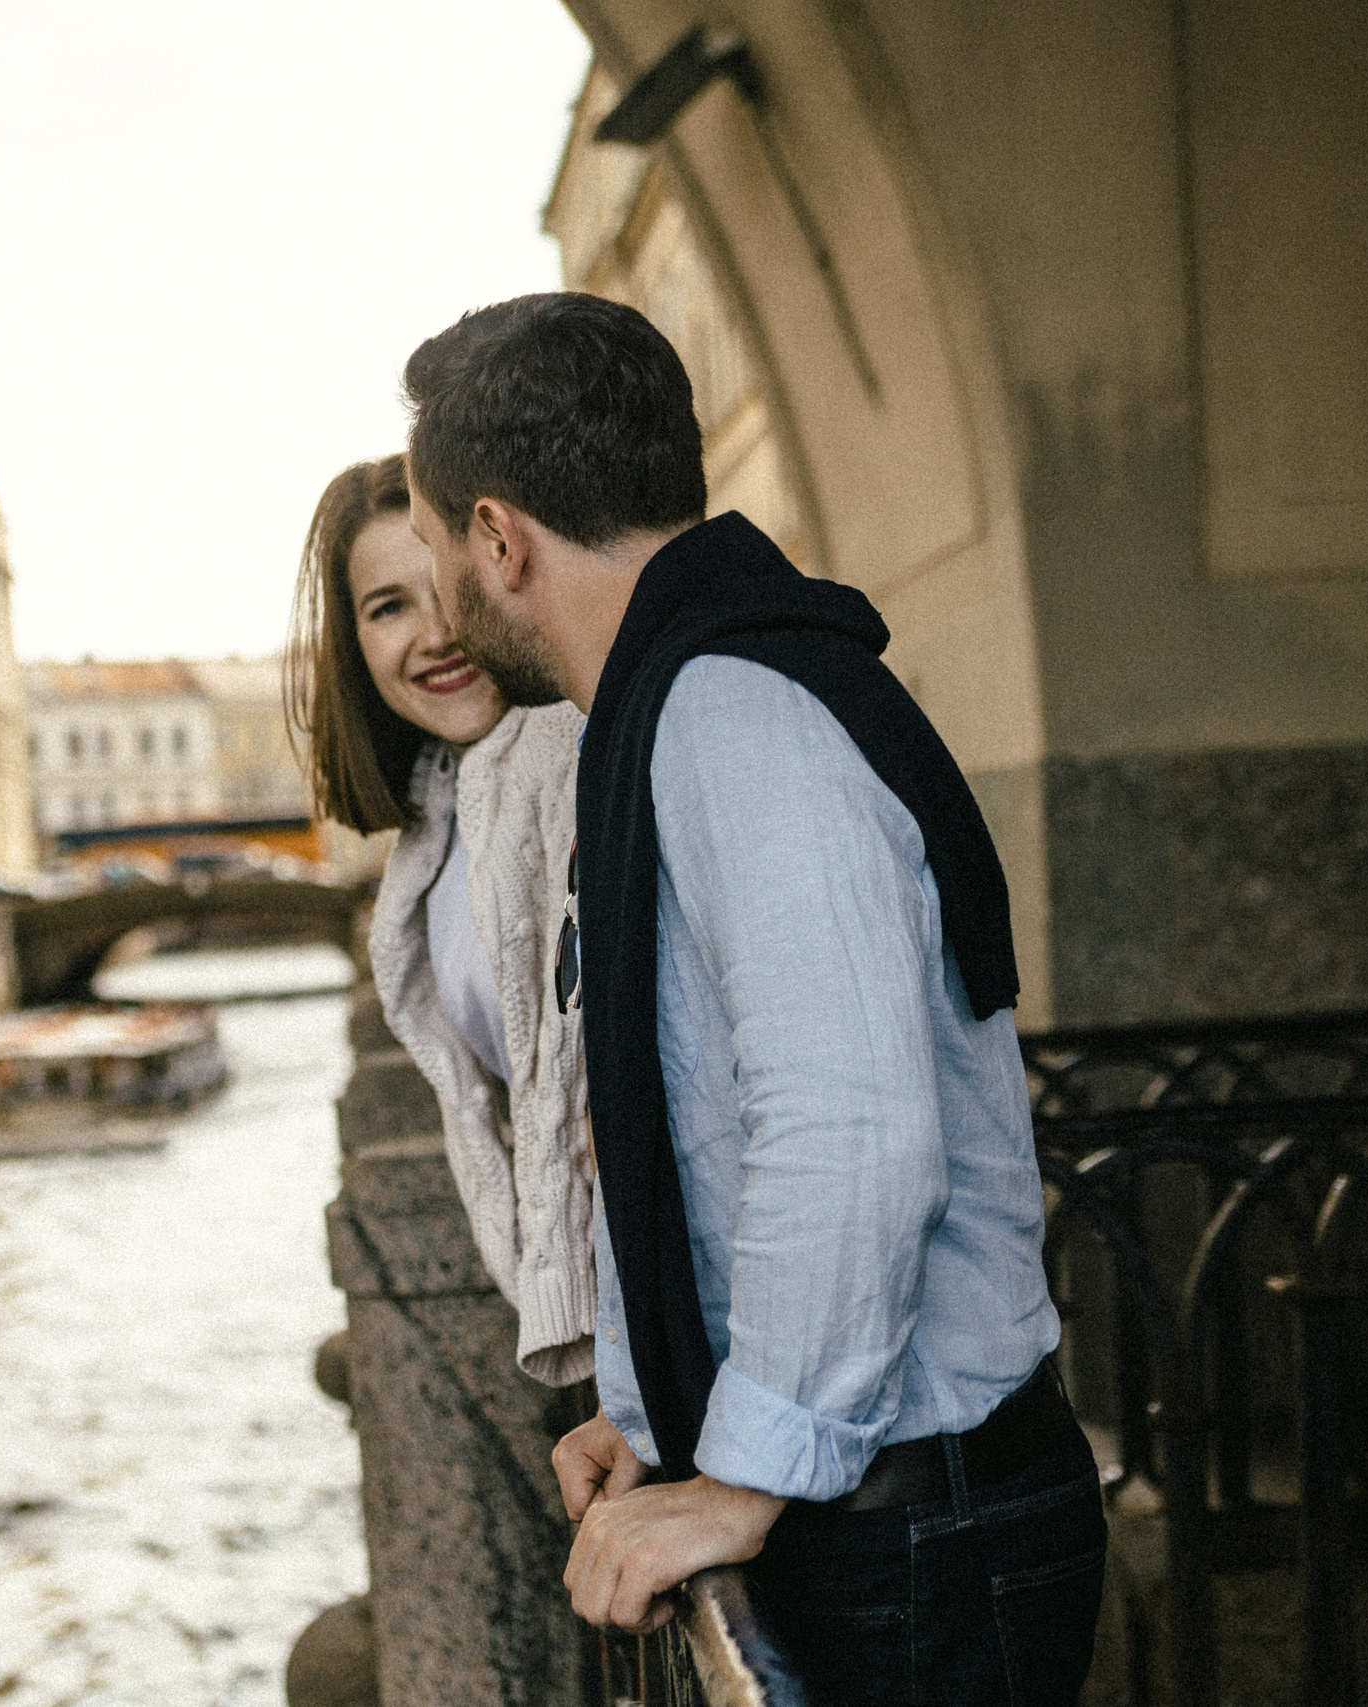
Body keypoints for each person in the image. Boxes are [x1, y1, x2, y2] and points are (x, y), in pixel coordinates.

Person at [401, 294, 1104, 1706]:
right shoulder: (698, 694)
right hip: (890, 1512)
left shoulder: (731, 714)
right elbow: (716, 1117)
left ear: (497, 534)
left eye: (429, 551)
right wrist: (655, 1410)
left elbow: (847, 1127)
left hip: (910, 1536)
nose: (440, 594)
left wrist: (741, 1475)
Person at [285, 454, 597, 1386]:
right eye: (387, 607)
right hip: (612, 1337)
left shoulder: (571, 756)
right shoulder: (445, 807)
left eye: (446, 588)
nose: (434, 635)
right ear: (353, 642)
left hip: (683, 1335)